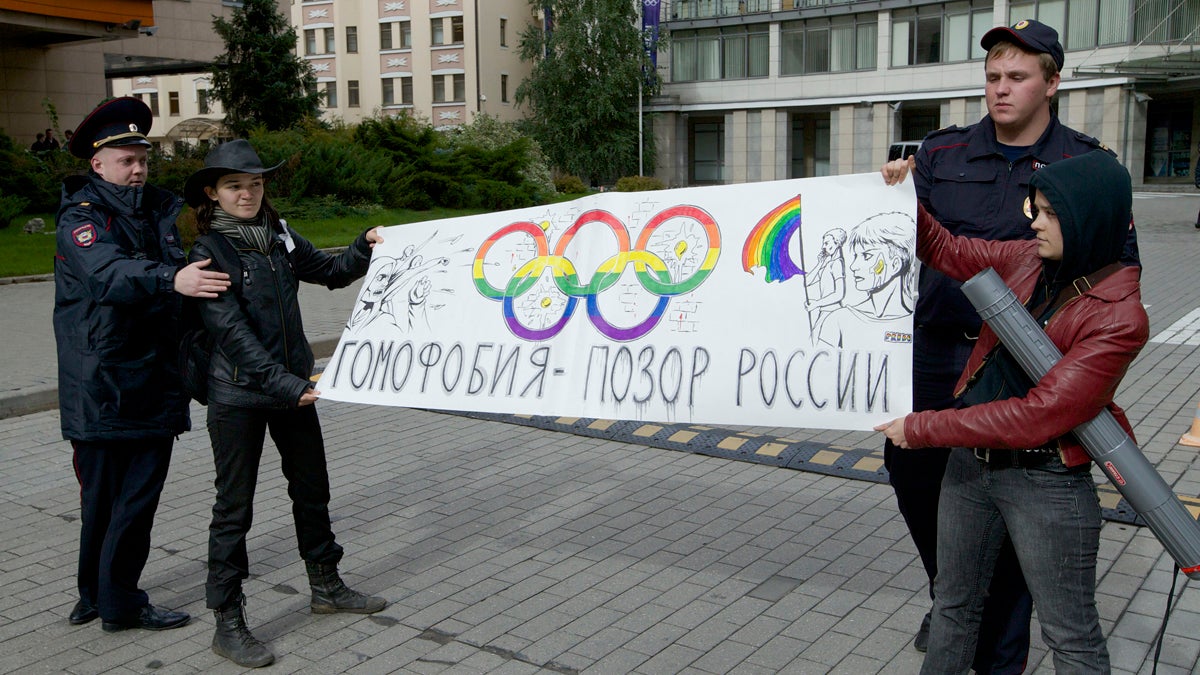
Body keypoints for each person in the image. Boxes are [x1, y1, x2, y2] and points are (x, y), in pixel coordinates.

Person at [885, 18, 1140, 667]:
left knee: (1056, 620)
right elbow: (944, 246)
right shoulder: (952, 165)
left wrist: (927, 426)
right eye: (992, 76)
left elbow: (1042, 411)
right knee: (949, 578)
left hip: (1035, 428)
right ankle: (957, 605)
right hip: (951, 377)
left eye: (1017, 76)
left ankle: (998, 644)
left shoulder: (1090, 179)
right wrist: (889, 196)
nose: (1001, 89)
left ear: (1051, 82)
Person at [184, 139, 387, 668]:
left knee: (312, 490)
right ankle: (227, 621)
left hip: (291, 390)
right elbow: (230, 333)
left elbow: (331, 269)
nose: (247, 193)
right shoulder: (208, 252)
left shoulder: (279, 236)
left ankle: (326, 586)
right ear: (213, 193)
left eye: (255, 183)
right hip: (240, 396)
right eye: (234, 186)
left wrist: (364, 245)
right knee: (234, 509)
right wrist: (286, 383)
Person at [54, 97, 231, 632]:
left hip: (152, 379)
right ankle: (121, 604)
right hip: (104, 384)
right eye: (126, 160)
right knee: (118, 504)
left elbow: (173, 267)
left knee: (119, 504)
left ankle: (95, 594)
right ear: (97, 164)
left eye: (142, 159)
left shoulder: (154, 209)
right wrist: (172, 279)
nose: (137, 169)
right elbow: (110, 274)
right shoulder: (82, 221)